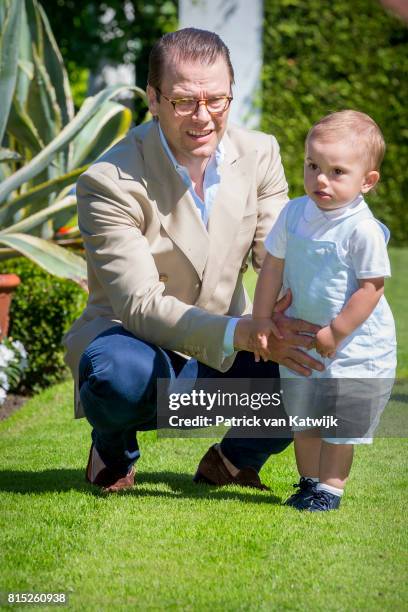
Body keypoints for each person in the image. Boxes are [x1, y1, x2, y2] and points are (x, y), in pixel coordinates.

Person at [63, 27, 323, 493]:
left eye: (217, 100)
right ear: (154, 98)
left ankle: (232, 459)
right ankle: (113, 447)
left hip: (227, 340)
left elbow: (278, 259)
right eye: (184, 101)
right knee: (115, 377)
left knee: (315, 359)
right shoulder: (108, 180)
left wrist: (323, 309)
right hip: (133, 340)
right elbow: (140, 304)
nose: (203, 117)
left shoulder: (260, 152)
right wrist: (240, 332)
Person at [250, 110, 397, 511]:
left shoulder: (361, 229)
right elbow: (273, 267)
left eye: (336, 172)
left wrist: (337, 331)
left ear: (367, 181)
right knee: (305, 415)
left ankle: (329, 490)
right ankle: (308, 481)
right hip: (302, 335)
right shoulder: (294, 213)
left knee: (338, 422)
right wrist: (261, 318)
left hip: (353, 343)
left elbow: (371, 288)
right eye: (313, 166)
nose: (320, 180)